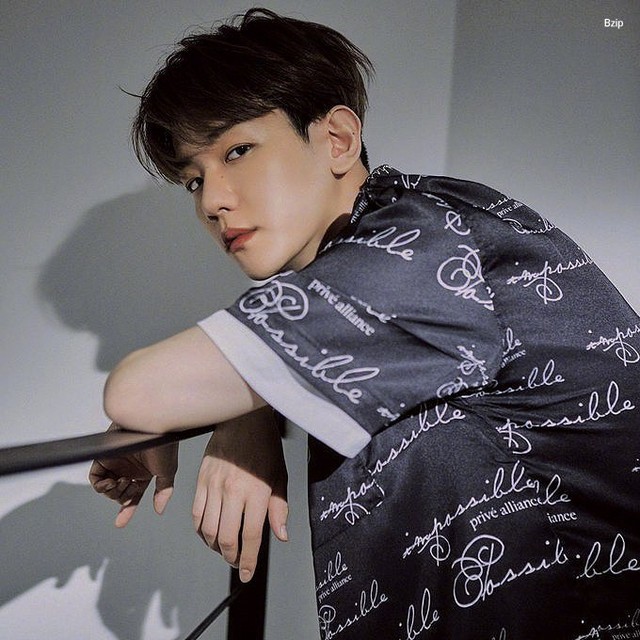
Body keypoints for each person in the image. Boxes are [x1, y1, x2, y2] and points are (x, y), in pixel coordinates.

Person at [90, 8, 639, 639]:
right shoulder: (393, 245)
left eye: (237, 151)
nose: (213, 201)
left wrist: (222, 404)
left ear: (337, 139)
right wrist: (251, 410)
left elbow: (136, 391)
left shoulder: (414, 244)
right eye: (193, 180)